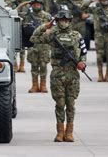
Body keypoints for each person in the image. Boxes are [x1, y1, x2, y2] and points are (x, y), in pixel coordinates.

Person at [31, 10, 87, 142]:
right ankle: (60, 132)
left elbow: (83, 52)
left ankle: (69, 132)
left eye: (66, 20)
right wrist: (46, 26)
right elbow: (33, 38)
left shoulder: (76, 35)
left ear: (70, 21)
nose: (64, 22)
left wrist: (82, 63)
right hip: (57, 73)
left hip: (72, 74)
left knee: (71, 104)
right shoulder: (52, 34)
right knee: (60, 104)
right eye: (61, 20)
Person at [17, 0, 52, 93]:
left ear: (41, 5)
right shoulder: (27, 15)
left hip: (44, 45)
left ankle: (43, 85)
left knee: (43, 65)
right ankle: (35, 85)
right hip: (32, 44)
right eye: (34, 4)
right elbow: (15, 12)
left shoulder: (47, 16)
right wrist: (25, 3)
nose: (36, 6)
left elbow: (54, 27)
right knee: (34, 65)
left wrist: (50, 31)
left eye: (38, 4)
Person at [82, 0, 108, 82]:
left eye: (106, 0)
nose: (105, 1)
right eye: (103, 0)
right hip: (99, 35)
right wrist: (92, 0)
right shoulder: (95, 10)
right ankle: (100, 75)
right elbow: (83, 7)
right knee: (99, 56)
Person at [5, 0, 27, 72]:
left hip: (23, 27)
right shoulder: (11, 4)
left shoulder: (27, 5)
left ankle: (22, 65)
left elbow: (27, 15)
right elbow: (8, 11)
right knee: (14, 47)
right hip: (14, 27)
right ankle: (14, 65)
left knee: (22, 48)